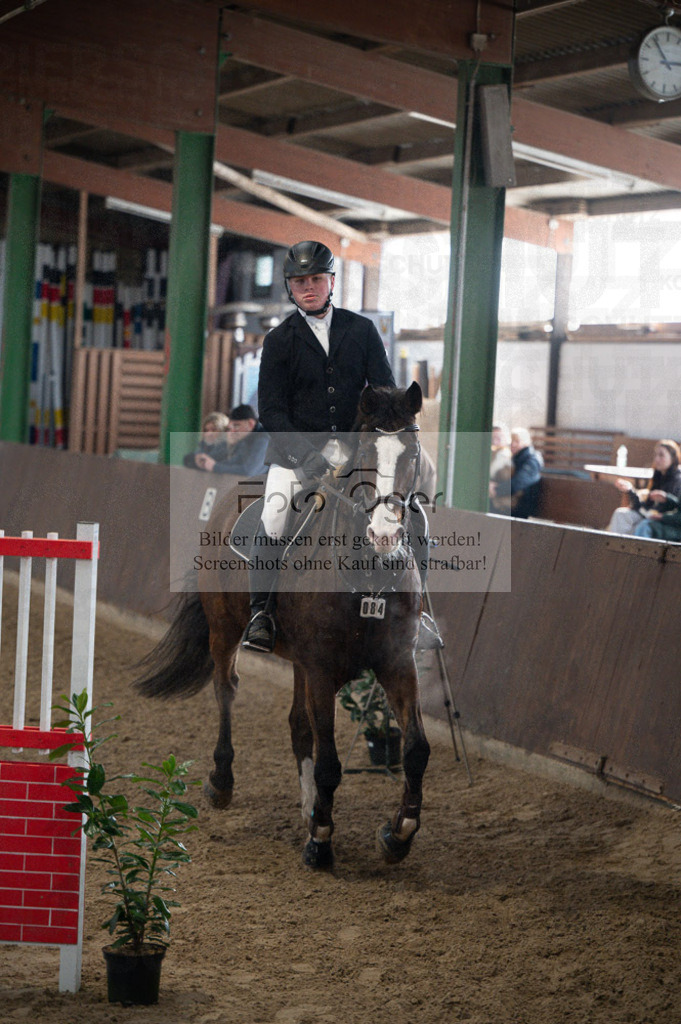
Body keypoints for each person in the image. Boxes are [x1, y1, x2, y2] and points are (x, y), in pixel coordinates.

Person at [241, 239, 432, 654]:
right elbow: (270, 412)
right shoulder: (278, 340)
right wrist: (306, 456)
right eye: (300, 282)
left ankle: (422, 611)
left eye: (316, 279)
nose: (309, 288)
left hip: (355, 452)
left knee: (412, 515)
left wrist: (374, 438)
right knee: (275, 513)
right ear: (290, 288)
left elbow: (385, 393)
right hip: (295, 454)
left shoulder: (361, 330)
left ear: (331, 281)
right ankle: (261, 613)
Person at [606, 440, 681, 536]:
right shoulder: (658, 477)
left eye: (661, 455)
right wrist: (630, 491)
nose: (657, 459)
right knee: (621, 514)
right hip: (650, 514)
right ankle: (613, 546)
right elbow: (645, 507)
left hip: (664, 521)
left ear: (673, 458)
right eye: (656, 455)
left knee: (642, 525)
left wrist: (665, 502)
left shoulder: (678, 480)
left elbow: (676, 509)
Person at [193, 404, 268, 477]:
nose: (233, 430)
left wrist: (214, 466)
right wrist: (207, 463)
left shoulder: (264, 439)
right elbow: (233, 462)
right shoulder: (246, 439)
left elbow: (248, 471)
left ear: (250, 424)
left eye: (236, 425)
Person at [489, 427, 543, 519]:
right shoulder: (515, 457)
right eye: (512, 441)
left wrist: (496, 490)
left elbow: (519, 482)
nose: (513, 444)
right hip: (512, 502)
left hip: (521, 506)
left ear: (527, 442)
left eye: (517, 441)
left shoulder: (532, 459)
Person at [488, 423, 513, 515]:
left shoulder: (510, 456)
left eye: (498, 438)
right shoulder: (490, 454)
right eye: (492, 438)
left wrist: (496, 488)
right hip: (491, 497)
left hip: (503, 500)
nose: (495, 441)